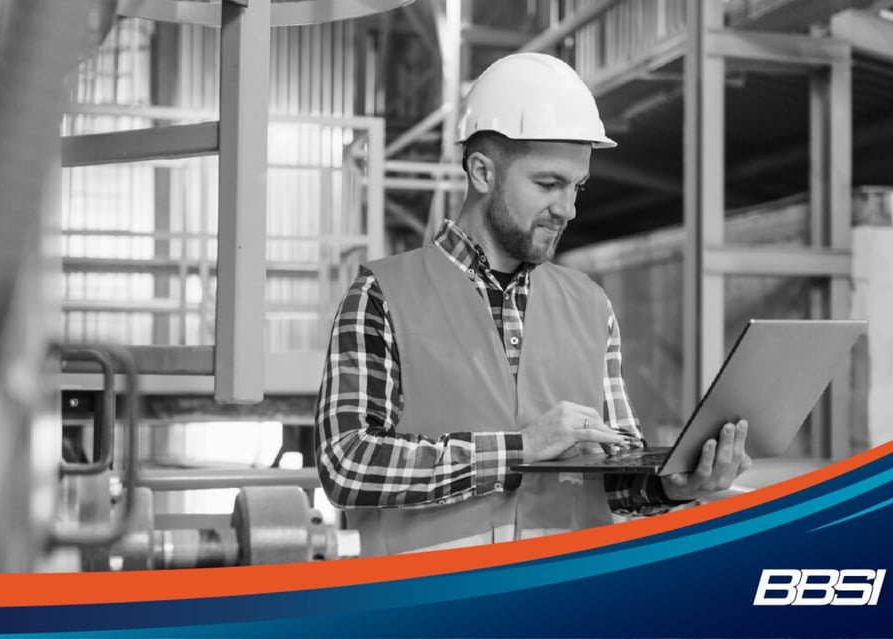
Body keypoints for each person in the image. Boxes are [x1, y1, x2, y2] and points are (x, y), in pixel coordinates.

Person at [314, 52, 751, 556]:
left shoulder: (590, 305)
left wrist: (676, 485)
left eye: (577, 187)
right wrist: (520, 450)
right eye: (548, 184)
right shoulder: (381, 297)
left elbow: (615, 472)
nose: (567, 209)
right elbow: (347, 463)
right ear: (482, 172)